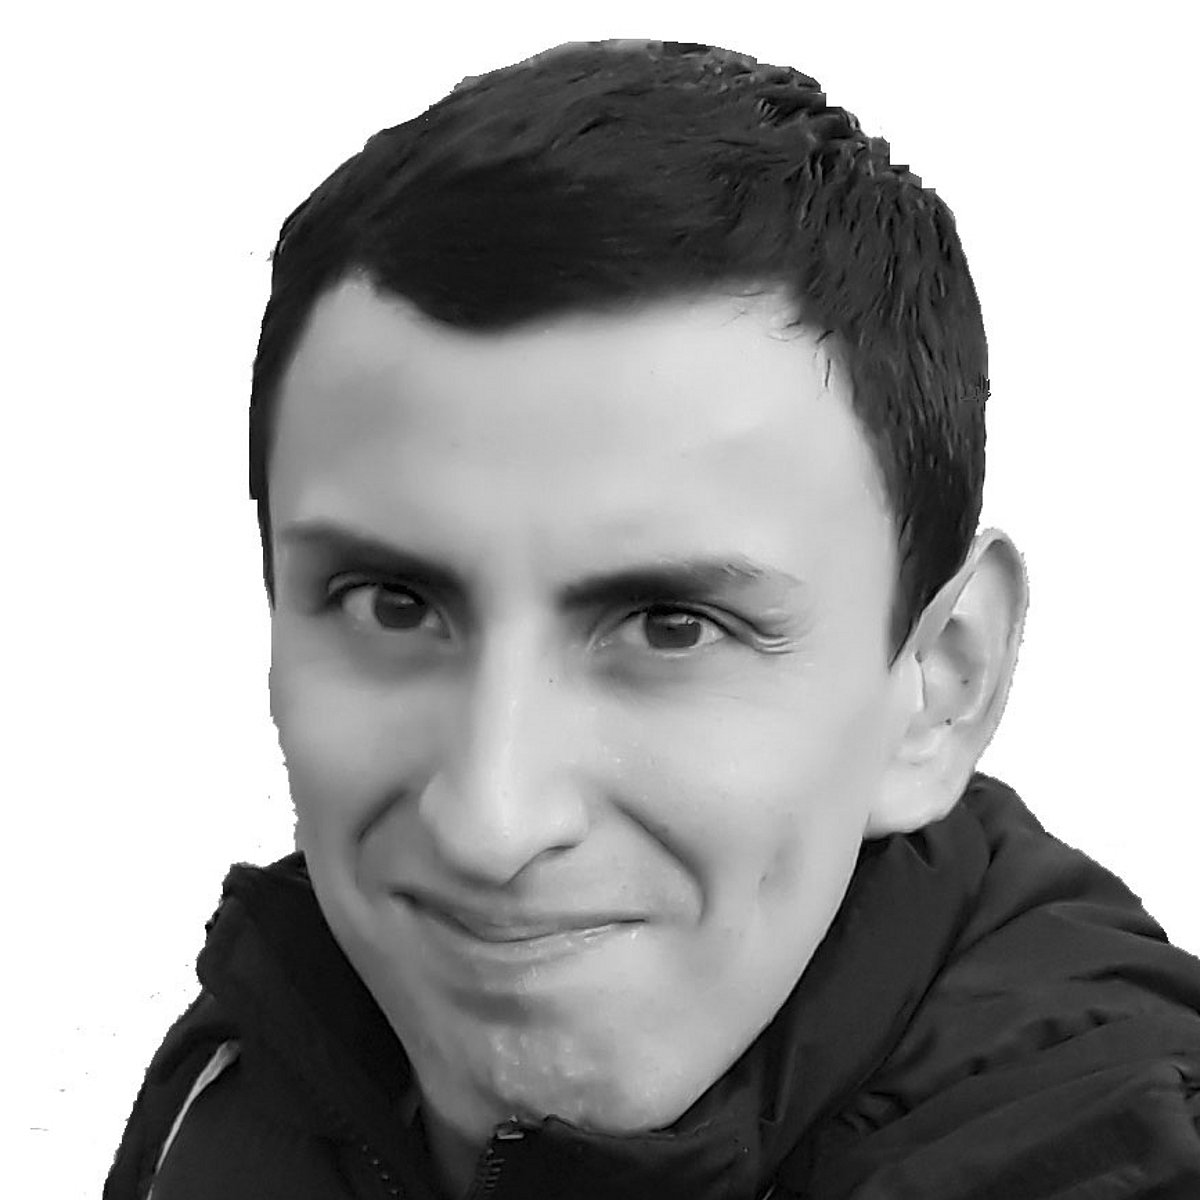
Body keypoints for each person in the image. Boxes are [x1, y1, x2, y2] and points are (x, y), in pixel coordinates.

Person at [104, 38, 1200, 1200]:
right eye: (394, 605)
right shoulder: (260, 1059)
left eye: (671, 625)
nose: (489, 823)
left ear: (939, 683)